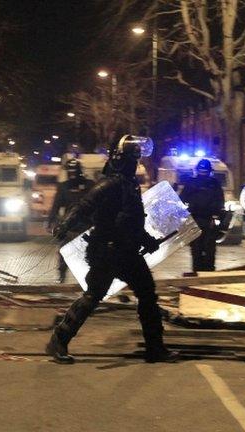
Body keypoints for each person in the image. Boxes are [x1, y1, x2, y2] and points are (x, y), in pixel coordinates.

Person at [47, 135, 178, 364]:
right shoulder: (110, 184)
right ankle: (58, 340)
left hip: (127, 251)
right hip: (107, 250)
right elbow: (84, 206)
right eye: (131, 159)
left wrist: (146, 240)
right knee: (93, 296)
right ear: (121, 160)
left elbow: (131, 220)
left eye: (136, 160)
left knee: (147, 294)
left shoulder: (130, 186)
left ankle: (155, 348)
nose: (134, 164)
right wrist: (64, 225)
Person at [47, 158, 95, 282]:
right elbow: (56, 206)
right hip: (70, 227)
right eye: (70, 172)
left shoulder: (89, 185)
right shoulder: (63, 187)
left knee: (92, 255)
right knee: (64, 251)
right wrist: (50, 221)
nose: (72, 175)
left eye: (75, 172)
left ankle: (94, 280)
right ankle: (61, 276)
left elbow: (100, 203)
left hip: (87, 226)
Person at [180, 159, 225, 272]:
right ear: (210, 170)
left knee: (196, 248)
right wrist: (217, 217)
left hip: (195, 220)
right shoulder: (214, 183)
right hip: (210, 221)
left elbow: (182, 199)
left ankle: (197, 270)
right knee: (209, 247)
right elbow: (220, 201)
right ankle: (209, 271)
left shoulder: (191, 182)